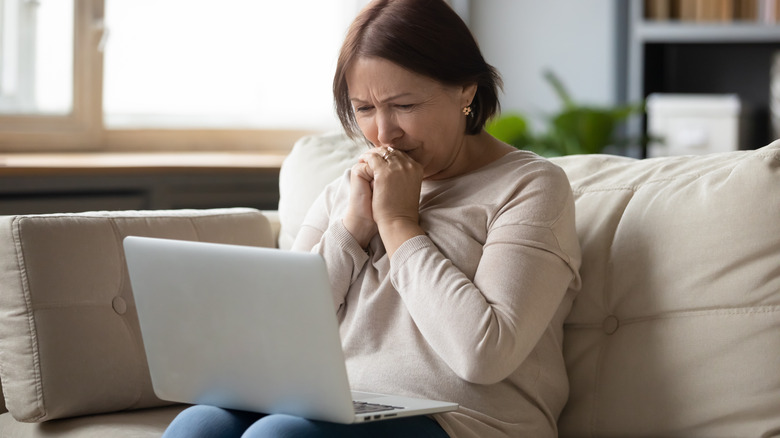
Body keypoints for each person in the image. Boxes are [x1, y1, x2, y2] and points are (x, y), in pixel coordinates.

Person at [162, 0, 581, 436]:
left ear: (466, 91)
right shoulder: (346, 190)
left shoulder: (531, 187)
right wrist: (352, 229)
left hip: (462, 420)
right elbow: (278, 336)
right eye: (364, 109)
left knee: (279, 435)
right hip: (339, 405)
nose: (384, 133)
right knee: (200, 423)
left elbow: (483, 354)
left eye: (403, 105)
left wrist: (399, 224)